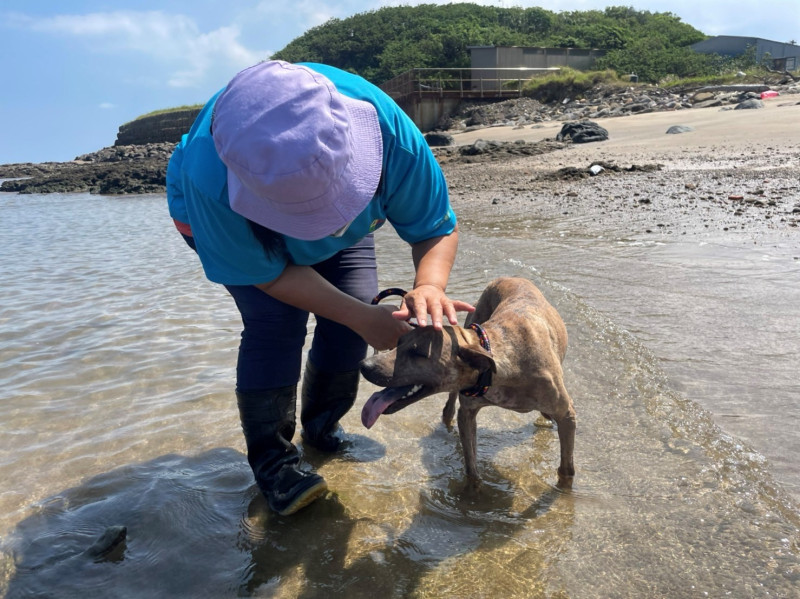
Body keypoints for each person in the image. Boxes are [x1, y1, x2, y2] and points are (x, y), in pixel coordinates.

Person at [166, 60, 473, 516]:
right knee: (275, 326)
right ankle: (275, 464)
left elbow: (434, 227)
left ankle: (322, 429)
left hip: (334, 224)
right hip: (231, 233)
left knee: (354, 324)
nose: (319, 230)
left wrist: (429, 284)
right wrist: (356, 313)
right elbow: (267, 275)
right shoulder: (207, 179)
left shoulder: (389, 131)